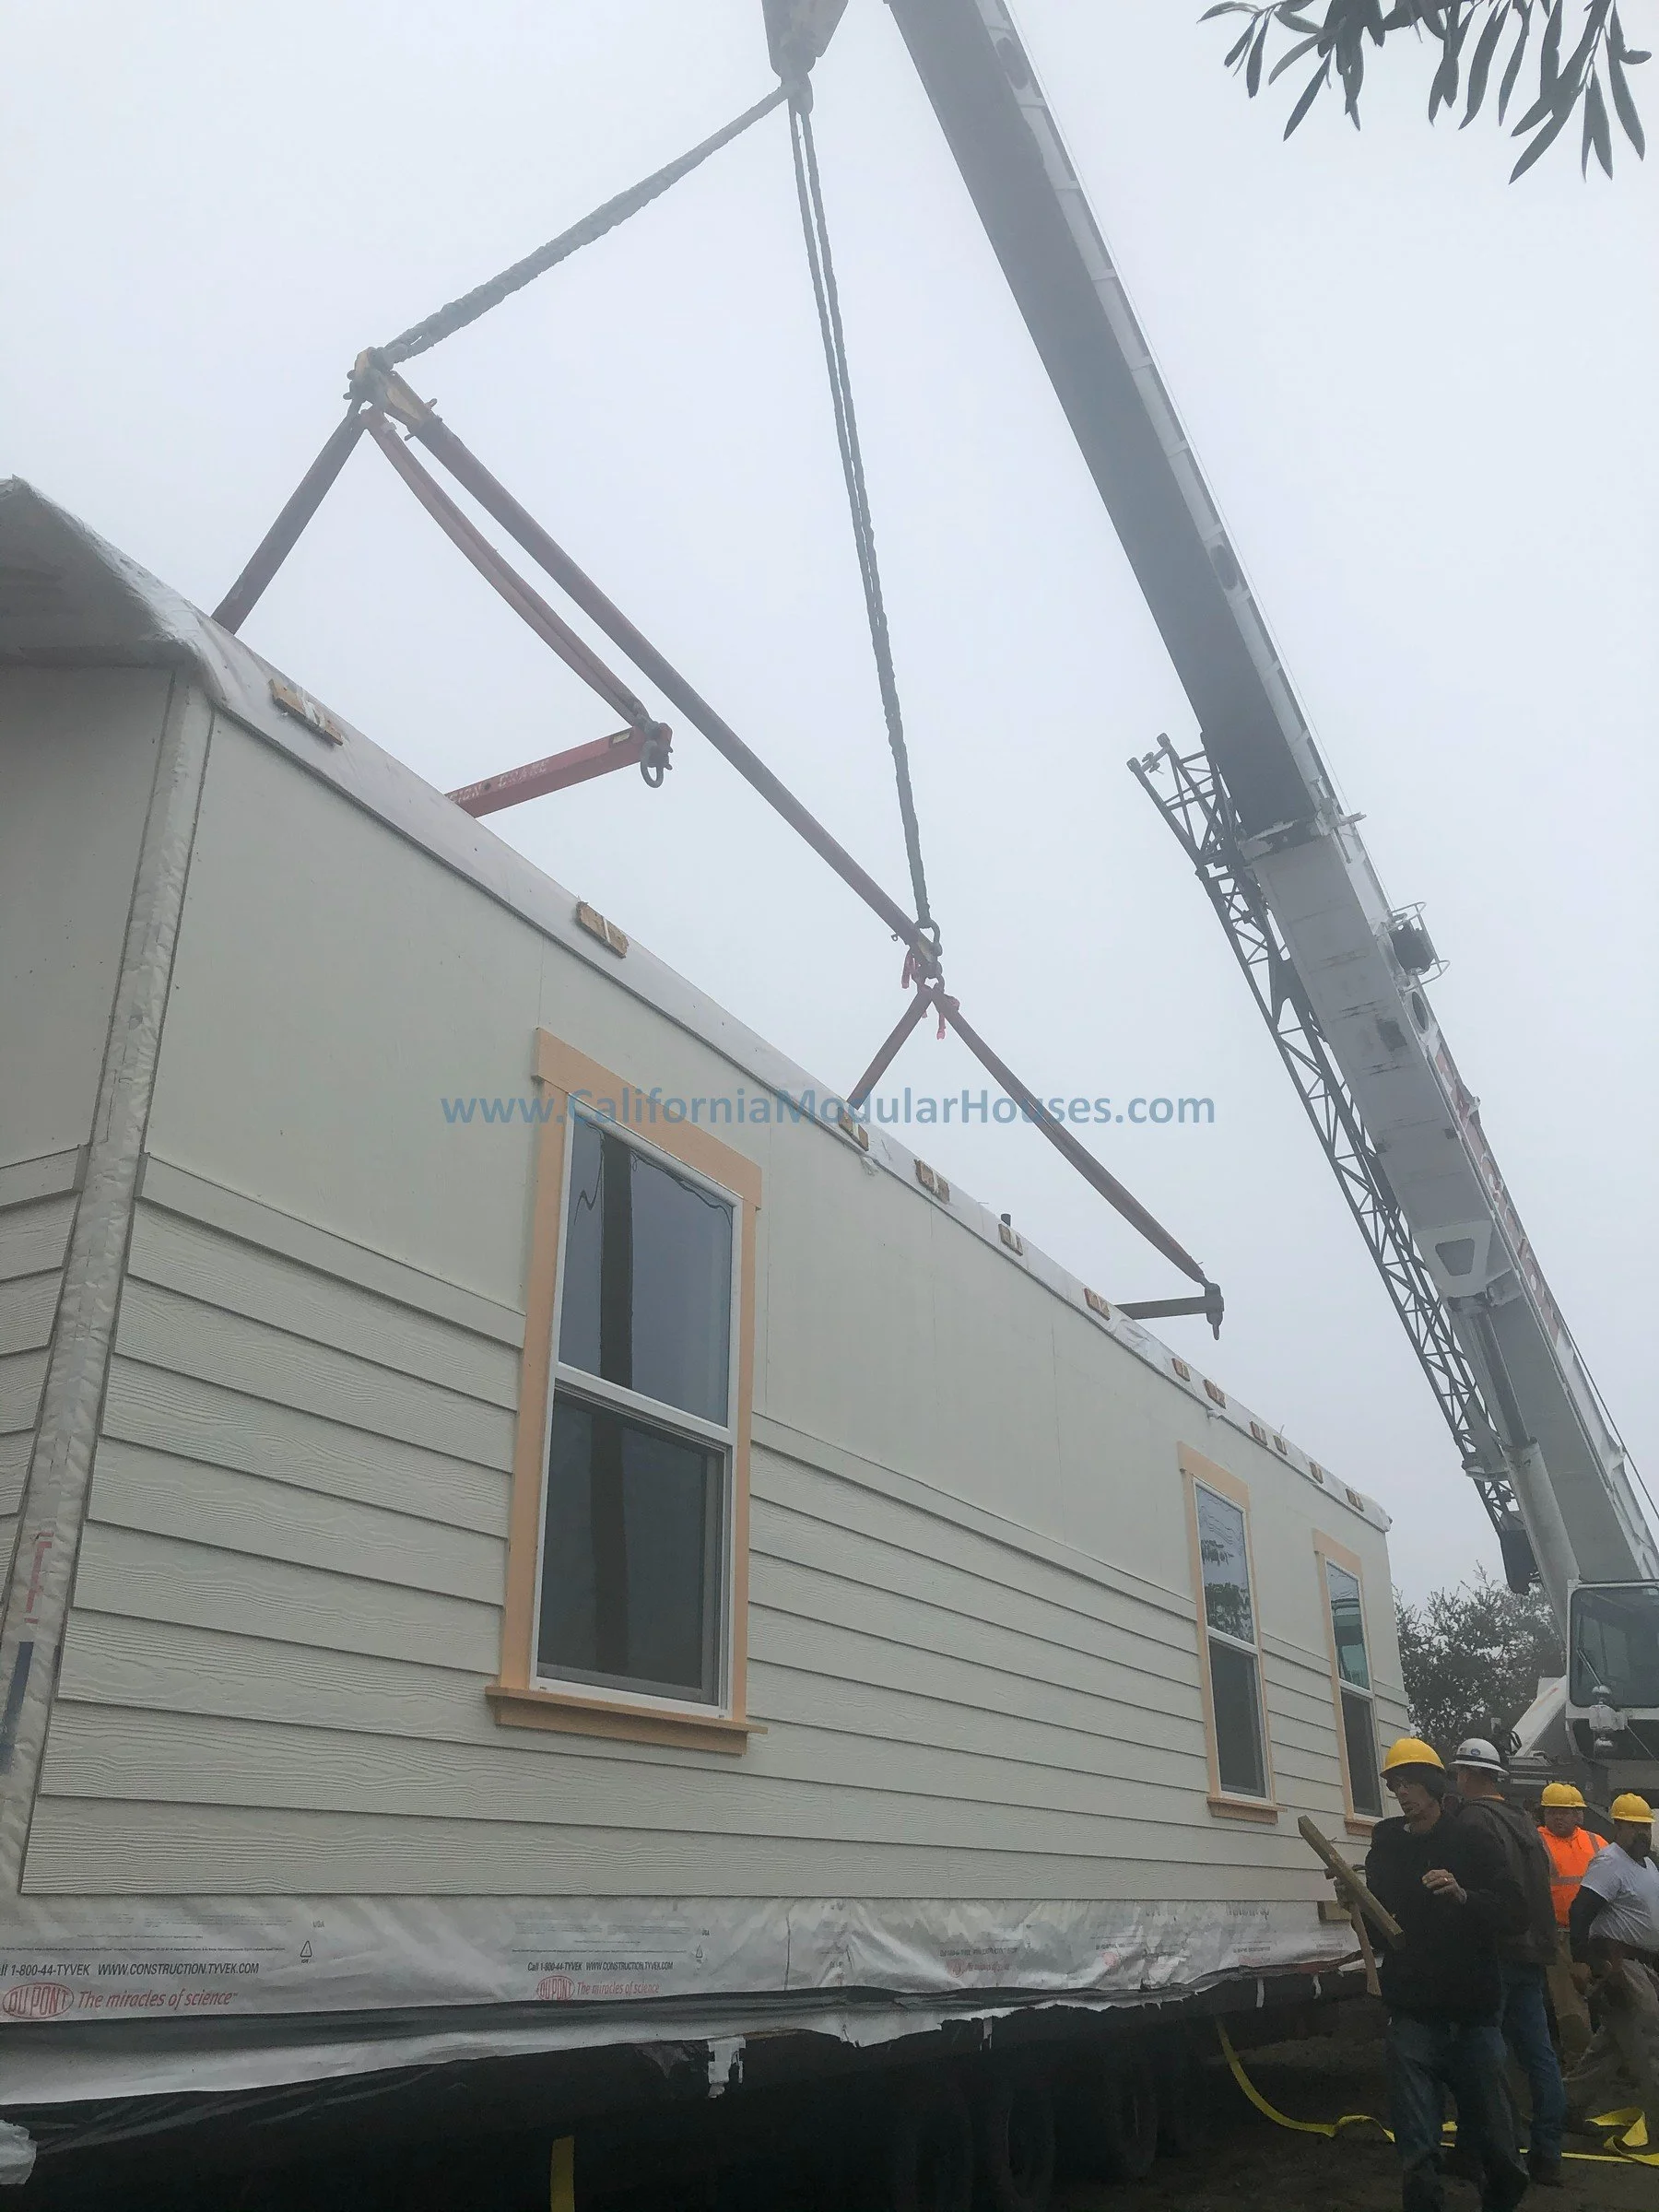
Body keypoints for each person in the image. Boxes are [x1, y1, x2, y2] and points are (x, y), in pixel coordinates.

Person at [1366, 1736, 1530, 2212]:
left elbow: (1516, 1913)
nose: (1403, 1793)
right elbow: (1382, 1929)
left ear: (1436, 1786)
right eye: (1396, 1784)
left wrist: (1464, 1896)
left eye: (1412, 1783)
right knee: (1417, 2154)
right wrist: (1359, 1902)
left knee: (1502, 2153)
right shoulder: (1387, 1841)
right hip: (1413, 2016)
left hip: (1472, 2017)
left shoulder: (1471, 1839)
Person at [1449, 1739, 1568, 2186]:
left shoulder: (1473, 1819)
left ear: (1469, 1775)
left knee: (1483, 2054)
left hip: (1494, 1954)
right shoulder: (1525, 1822)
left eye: (1459, 1772)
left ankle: (1477, 2151)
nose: (1457, 1780)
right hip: (1532, 1952)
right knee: (1540, 2056)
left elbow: (1474, 1893)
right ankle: (1548, 2154)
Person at [1563, 1791, 1659, 2148]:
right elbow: (1580, 1912)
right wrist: (1583, 1960)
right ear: (1618, 1826)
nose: (1642, 1834)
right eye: (1635, 1827)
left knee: (1609, 2049)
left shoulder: (1646, 1865)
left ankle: (1565, 2107)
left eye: (1645, 1827)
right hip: (1620, 1965)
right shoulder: (1609, 1862)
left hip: (1643, 1965)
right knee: (1650, 2046)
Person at [1535, 1783, 1605, 2064]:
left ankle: (1614, 2061)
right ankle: (1580, 2065)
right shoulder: (1535, 1841)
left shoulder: (1596, 1841)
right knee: (1570, 2007)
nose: (1558, 1817)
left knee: (1607, 1998)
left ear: (1577, 1814)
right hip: (1560, 1936)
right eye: (1552, 1811)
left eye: (1565, 1811)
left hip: (1597, 1933)